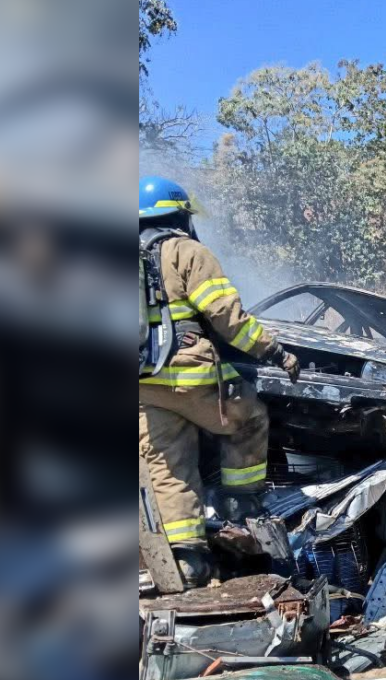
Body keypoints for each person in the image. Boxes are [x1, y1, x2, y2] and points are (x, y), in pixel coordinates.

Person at [138, 176, 299, 587]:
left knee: (170, 471)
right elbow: (228, 318)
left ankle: (188, 562)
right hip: (192, 377)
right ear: (179, 215)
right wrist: (274, 352)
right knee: (249, 419)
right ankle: (239, 503)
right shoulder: (186, 252)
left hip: (143, 386)